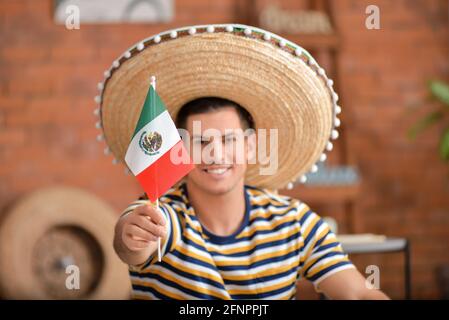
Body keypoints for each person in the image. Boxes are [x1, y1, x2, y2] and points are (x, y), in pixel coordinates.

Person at [99, 24, 389, 299]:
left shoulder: (292, 221)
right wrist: (132, 237)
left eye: (228, 140)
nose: (216, 154)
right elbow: (133, 241)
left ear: (250, 146)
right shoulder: (164, 214)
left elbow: (358, 291)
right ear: (181, 149)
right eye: (201, 141)